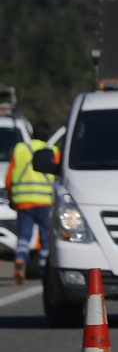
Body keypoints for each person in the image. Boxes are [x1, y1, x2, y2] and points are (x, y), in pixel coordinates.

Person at [5, 120, 57, 284]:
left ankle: (20, 259)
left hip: (23, 200)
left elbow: (9, 177)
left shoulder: (20, 149)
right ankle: (43, 268)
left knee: (24, 235)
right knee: (45, 237)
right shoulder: (52, 151)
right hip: (44, 201)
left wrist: (11, 197)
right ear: (48, 136)